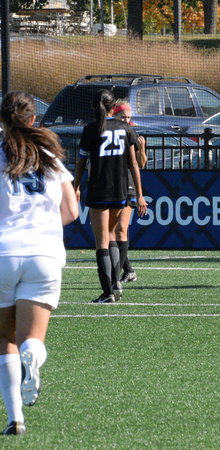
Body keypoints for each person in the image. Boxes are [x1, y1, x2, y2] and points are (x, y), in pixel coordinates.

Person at [0, 92, 79, 435]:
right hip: (44, 254)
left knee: (4, 341)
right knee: (31, 339)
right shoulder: (50, 155)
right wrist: (41, 227)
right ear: (34, 119)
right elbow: (71, 211)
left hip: (3, 252)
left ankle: (15, 418)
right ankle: (33, 356)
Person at [72, 90, 147, 303]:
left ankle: (108, 293)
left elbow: (81, 163)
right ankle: (116, 284)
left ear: (94, 107)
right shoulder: (125, 128)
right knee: (113, 235)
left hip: (99, 189)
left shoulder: (90, 129)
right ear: (113, 107)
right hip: (121, 189)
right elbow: (134, 164)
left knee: (102, 241)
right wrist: (140, 194)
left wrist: (76, 186)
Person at [111, 100, 147, 284]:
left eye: (128, 117)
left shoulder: (132, 133)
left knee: (120, 229)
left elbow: (141, 164)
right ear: (114, 115)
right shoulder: (108, 132)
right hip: (111, 185)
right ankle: (129, 270)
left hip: (128, 185)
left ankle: (115, 276)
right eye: (122, 116)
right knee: (110, 231)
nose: (126, 120)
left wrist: (142, 148)